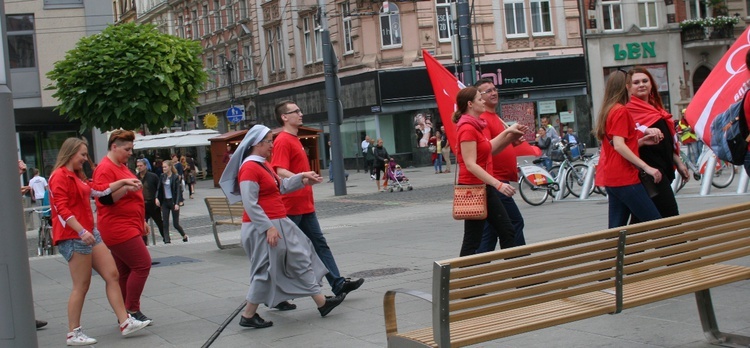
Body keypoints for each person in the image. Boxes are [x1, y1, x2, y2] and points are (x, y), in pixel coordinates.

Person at [218, 125, 347, 328]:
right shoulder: (250, 167)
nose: (272, 145)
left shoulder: (262, 164)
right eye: (269, 141)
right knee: (266, 270)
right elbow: (250, 203)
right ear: (258, 144)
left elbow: (281, 187)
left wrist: (303, 179)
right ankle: (249, 315)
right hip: (265, 227)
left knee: (301, 257)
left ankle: (322, 302)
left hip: (276, 223)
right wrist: (267, 227)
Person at [49, 137, 151, 345]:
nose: (85, 160)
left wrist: (123, 182)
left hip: (89, 233)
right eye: (82, 155)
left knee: (112, 274)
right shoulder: (59, 176)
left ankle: (125, 321)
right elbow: (61, 209)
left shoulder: (76, 176)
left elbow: (99, 190)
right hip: (74, 235)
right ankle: (73, 332)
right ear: (70, 153)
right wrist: (80, 230)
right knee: (82, 285)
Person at [270, 100, 365, 301]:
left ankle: (338, 284)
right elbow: (278, 170)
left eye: (300, 109)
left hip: (304, 204)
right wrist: (303, 175)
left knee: (319, 244)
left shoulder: (295, 139)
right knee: (284, 252)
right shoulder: (283, 140)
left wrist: (305, 177)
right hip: (291, 205)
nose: (300, 113)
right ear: (284, 117)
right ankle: (274, 295)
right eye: (295, 111)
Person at [452, 86, 525, 256]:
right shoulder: (467, 128)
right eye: (479, 99)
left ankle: (470, 278)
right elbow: (470, 164)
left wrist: (508, 133)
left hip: (483, 187)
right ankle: (469, 278)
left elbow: (489, 147)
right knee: (483, 236)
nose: (483, 101)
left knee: (496, 232)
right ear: (470, 104)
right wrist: (498, 184)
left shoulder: (475, 125)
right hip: (475, 188)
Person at [93, 130, 154, 324]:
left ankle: (125, 313)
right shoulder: (105, 168)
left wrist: (140, 220)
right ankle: (131, 309)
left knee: (126, 270)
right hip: (118, 227)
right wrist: (126, 188)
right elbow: (105, 199)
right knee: (142, 264)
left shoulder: (119, 165)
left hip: (127, 225)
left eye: (131, 149)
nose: (130, 153)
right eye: (127, 149)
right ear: (114, 147)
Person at [594, 70, 664, 228]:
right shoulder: (621, 111)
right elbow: (619, 145)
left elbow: (615, 146)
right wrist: (647, 167)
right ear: (626, 86)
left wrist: (640, 142)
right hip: (625, 176)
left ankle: (614, 253)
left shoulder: (608, 110)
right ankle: (672, 252)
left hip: (612, 178)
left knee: (616, 230)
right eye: (632, 83)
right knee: (656, 223)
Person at [626, 67, 689, 222]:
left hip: (663, 170)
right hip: (649, 174)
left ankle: (632, 246)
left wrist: (679, 163)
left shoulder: (656, 109)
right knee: (669, 215)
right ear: (628, 87)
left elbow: (666, 141)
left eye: (645, 81)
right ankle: (677, 245)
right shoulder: (627, 112)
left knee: (644, 218)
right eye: (636, 82)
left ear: (651, 84)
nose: (641, 84)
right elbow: (624, 145)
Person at [475, 78, 527, 251]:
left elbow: (497, 145)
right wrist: (509, 136)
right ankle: (518, 265)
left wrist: (511, 140)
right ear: (479, 98)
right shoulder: (483, 119)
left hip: (498, 180)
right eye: (488, 91)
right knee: (514, 222)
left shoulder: (494, 116)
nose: (494, 92)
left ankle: (479, 268)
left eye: (494, 89)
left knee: (492, 230)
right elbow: (487, 148)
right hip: (495, 181)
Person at [156, 160, 188, 243]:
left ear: (170, 167)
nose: (163, 168)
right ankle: (167, 240)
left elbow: (178, 191)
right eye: (163, 167)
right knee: (165, 223)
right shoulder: (162, 176)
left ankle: (184, 235)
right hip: (165, 202)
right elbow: (158, 188)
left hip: (173, 202)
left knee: (175, 224)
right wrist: (156, 198)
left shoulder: (175, 177)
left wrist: (177, 203)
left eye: (165, 167)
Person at [136, 159, 166, 244]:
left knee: (159, 222)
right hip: (142, 204)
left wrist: (159, 200)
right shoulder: (136, 177)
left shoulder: (153, 176)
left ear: (145, 166)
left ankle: (166, 238)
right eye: (138, 166)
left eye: (141, 165)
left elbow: (159, 189)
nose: (139, 167)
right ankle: (144, 243)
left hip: (152, 203)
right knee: (142, 224)